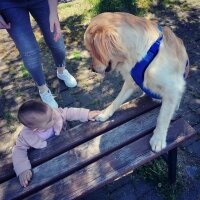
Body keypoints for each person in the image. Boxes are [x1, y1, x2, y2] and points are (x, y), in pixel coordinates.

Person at [0, 0, 77, 108]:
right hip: (8, 4)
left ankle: (61, 70)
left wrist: (54, 13)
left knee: (56, 39)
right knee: (29, 51)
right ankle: (43, 89)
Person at [12, 99, 100, 187]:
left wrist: (87, 114)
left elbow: (69, 112)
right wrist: (22, 169)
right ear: (36, 129)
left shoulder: (53, 114)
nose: (54, 116)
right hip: (46, 157)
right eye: (50, 120)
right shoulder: (26, 136)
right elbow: (18, 150)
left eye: (51, 111)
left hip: (64, 145)